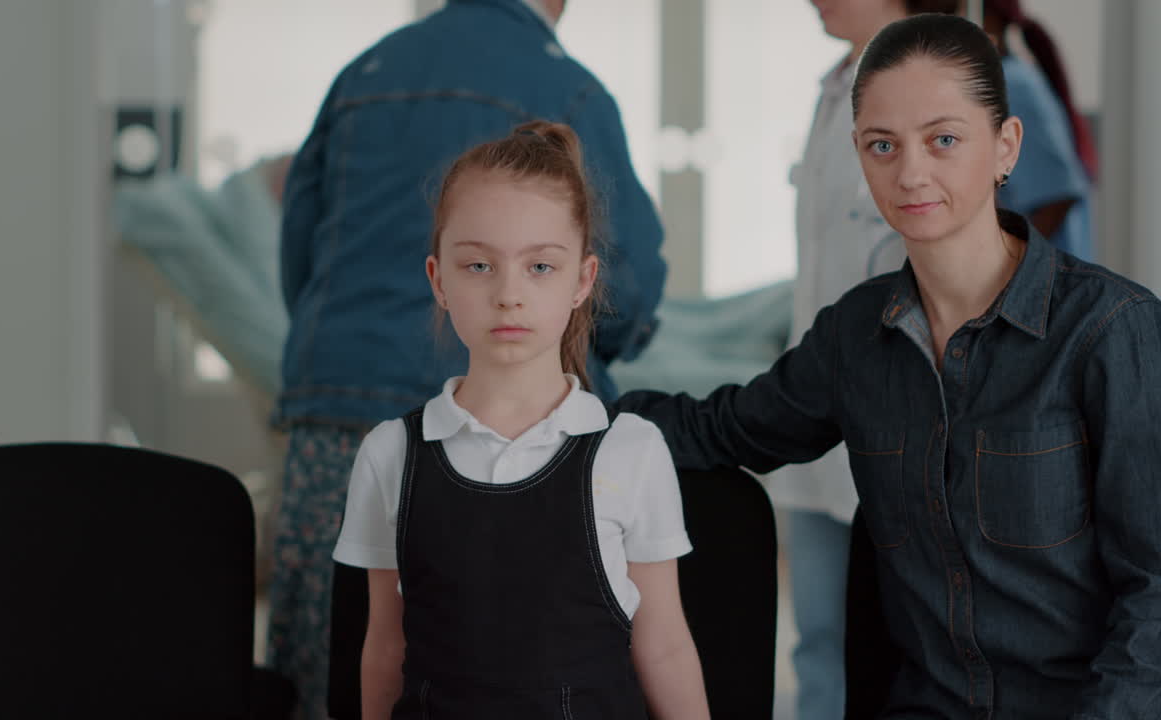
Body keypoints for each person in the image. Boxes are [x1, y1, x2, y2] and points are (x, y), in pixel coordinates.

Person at [617, 14, 1161, 719]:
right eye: (882, 146)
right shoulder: (855, 335)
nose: (910, 172)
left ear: (1005, 146)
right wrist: (555, 406)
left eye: (944, 140)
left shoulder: (1111, 329)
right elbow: (722, 428)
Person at [270, 1, 666, 715]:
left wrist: (345, 343)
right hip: (505, 419)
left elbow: (300, 245)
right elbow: (627, 288)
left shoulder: (364, 70)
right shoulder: (571, 89)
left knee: (324, 658)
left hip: (333, 398)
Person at [332, 122, 709, 720]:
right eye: (479, 266)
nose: (509, 294)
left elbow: (663, 646)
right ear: (439, 281)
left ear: (582, 280)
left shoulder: (632, 449)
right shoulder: (390, 454)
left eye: (540, 268)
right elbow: (384, 646)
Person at [773, 3, 912, 718]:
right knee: (815, 639)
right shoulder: (833, 89)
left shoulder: (926, 82)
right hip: (818, 406)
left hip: (897, 414)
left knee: (894, 648)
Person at [913, 0, 1096, 259]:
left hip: (1041, 282)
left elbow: (1056, 200)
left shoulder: (1014, 86)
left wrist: (1004, 265)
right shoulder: (990, 84)